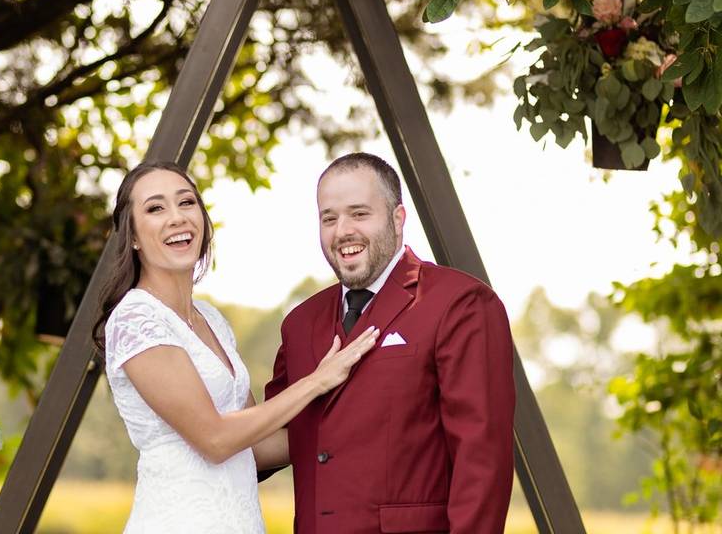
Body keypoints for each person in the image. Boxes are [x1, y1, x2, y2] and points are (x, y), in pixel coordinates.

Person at [92, 160, 380, 534]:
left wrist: (361, 419)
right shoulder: (136, 319)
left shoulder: (211, 319)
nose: (177, 217)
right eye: (155, 208)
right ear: (131, 235)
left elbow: (257, 447)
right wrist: (317, 382)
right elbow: (214, 439)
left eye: (186, 202)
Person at [264, 152, 516, 534]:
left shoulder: (460, 304)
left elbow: (481, 459)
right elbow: (269, 435)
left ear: (398, 219)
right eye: (328, 218)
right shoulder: (299, 323)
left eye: (359, 214)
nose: (342, 230)